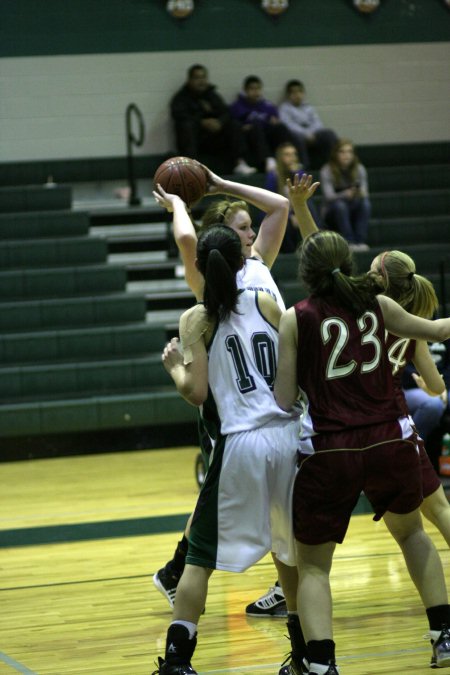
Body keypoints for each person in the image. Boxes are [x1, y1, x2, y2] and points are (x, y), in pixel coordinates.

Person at [152, 168, 319, 673]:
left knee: (199, 558)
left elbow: (196, 392)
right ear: (243, 251)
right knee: (290, 556)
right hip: (291, 435)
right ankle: (305, 655)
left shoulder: (197, 316)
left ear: (202, 263)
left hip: (241, 441)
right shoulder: (267, 298)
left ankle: (178, 660)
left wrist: (175, 367)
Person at [273, 226, 450, 674]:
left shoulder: (296, 317)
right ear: (348, 264)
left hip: (331, 447)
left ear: (306, 272)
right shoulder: (381, 304)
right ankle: (444, 634)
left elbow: (284, 397)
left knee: (313, 567)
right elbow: (437, 330)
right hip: (390, 438)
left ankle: (322, 664)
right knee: (413, 534)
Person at [170, 64, 256, 176]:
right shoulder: (181, 98)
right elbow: (179, 115)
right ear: (189, 80)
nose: (201, 81)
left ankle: (240, 163)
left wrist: (219, 122)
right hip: (195, 141)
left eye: (203, 77)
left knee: (233, 124)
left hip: (214, 140)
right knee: (186, 126)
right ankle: (191, 169)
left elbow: (226, 112)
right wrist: (201, 123)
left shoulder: (212, 95)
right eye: (197, 78)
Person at [229, 75, 297, 173]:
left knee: (281, 127)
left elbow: (275, 121)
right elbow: (233, 125)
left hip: (264, 134)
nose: (255, 92)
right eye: (252, 89)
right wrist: (244, 127)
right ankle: (268, 160)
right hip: (248, 136)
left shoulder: (267, 105)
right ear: (245, 90)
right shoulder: (237, 106)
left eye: (258, 88)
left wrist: (274, 122)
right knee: (256, 126)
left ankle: (290, 160)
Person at [265, 142, 321, 253]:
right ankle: (291, 252)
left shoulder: (300, 173)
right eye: (287, 154)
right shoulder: (273, 175)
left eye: (294, 154)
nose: (292, 158)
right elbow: (270, 200)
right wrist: (290, 215)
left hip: (297, 208)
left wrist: (297, 214)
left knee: (309, 204)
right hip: (280, 211)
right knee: (285, 222)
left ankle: (317, 240)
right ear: (280, 157)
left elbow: (304, 197)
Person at [320, 139, 371, 251]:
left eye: (349, 152)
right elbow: (329, 197)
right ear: (335, 154)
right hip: (332, 211)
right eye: (342, 152)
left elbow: (365, 192)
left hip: (353, 206)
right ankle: (349, 241)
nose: (346, 155)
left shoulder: (359, 169)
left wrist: (358, 193)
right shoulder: (327, 170)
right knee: (340, 206)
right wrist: (345, 194)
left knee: (365, 204)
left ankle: (360, 240)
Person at [278, 80, 338, 171]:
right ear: (288, 95)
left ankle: (333, 164)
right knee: (296, 136)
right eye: (294, 92)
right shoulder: (284, 108)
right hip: (296, 137)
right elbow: (289, 126)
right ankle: (305, 167)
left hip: (313, 135)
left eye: (300, 91)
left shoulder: (308, 107)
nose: (297, 94)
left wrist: (312, 133)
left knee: (329, 134)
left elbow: (318, 123)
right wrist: (306, 134)